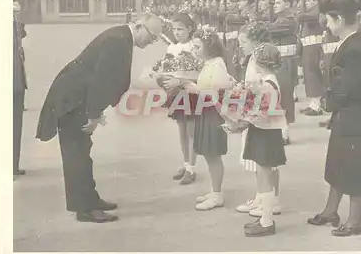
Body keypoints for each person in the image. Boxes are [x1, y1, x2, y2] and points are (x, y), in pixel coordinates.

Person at [36, 13, 164, 223]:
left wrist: (96, 110)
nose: (153, 42)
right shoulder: (118, 40)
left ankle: (90, 199)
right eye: (153, 36)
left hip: (78, 98)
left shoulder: (122, 37)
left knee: (82, 152)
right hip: (72, 101)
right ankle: (84, 209)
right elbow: (100, 80)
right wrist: (93, 115)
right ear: (139, 26)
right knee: (76, 154)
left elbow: (107, 79)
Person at [307, 0, 361, 237]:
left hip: (354, 117)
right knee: (336, 163)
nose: (325, 24)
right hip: (345, 116)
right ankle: (331, 211)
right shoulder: (349, 42)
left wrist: (329, 102)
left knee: (355, 169)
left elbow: (350, 88)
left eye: (328, 19)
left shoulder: (354, 47)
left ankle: (355, 220)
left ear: (338, 18)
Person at [166, 30, 231, 210]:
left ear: (208, 46)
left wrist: (194, 88)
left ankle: (217, 195)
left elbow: (219, 94)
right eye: (193, 46)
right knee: (209, 155)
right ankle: (214, 190)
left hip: (214, 114)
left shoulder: (217, 65)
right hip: (206, 111)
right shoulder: (209, 63)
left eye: (197, 46)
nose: (194, 50)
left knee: (213, 155)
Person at [235, 24, 282, 218]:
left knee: (267, 162)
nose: (241, 46)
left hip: (261, 118)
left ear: (255, 42)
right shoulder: (253, 59)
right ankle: (261, 197)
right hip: (255, 116)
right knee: (257, 160)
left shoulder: (260, 64)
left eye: (244, 42)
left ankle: (273, 200)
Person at [241, 43, 287, 237]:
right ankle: (265, 217)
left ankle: (267, 220)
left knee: (264, 176)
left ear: (259, 63)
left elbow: (263, 114)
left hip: (265, 133)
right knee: (263, 174)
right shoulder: (269, 80)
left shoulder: (267, 84)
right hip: (267, 132)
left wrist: (243, 117)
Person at [157, 13, 199, 185]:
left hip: (190, 91)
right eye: (174, 29)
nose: (177, 32)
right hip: (177, 92)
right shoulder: (171, 48)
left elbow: (198, 73)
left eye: (180, 29)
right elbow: (167, 69)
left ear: (189, 29)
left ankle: (192, 168)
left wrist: (180, 81)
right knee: (181, 130)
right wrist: (163, 79)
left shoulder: (194, 47)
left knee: (191, 131)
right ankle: (186, 162)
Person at [268, 0, 299, 145]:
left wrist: (259, 26)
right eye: (275, 3)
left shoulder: (289, 19)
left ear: (287, 4)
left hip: (286, 60)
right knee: (278, 95)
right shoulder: (280, 18)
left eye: (279, 2)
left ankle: (284, 134)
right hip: (279, 59)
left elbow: (272, 30)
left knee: (284, 96)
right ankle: (280, 131)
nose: (275, 5)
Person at [298, 0, 325, 116]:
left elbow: (303, 17)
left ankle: (317, 105)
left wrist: (302, 2)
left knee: (313, 75)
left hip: (314, 46)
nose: (306, 3)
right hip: (308, 46)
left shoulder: (317, 12)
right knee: (309, 76)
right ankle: (312, 103)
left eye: (309, 0)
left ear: (316, 2)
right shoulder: (311, 13)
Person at [13, 0, 27, 178]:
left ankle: (13, 165)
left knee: (16, 126)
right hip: (11, 84)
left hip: (17, 83)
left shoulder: (16, 25)